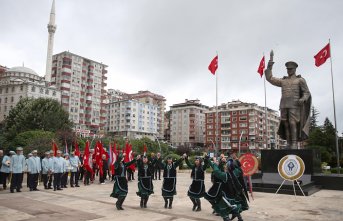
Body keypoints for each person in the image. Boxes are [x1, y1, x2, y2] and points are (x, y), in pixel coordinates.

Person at [265, 52, 311, 149]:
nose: (289, 71)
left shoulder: (300, 80)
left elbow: (307, 92)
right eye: (288, 69)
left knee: (292, 122)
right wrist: (270, 66)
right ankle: (289, 143)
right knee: (285, 124)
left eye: (290, 69)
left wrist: (303, 99)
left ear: (294, 69)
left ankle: (294, 143)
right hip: (284, 104)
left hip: (295, 104)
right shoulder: (283, 81)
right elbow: (270, 78)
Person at [207, 157, 248, 221]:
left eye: (226, 165)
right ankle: (240, 219)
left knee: (224, 213)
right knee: (233, 209)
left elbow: (217, 172)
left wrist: (215, 163)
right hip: (232, 197)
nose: (225, 166)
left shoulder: (226, 175)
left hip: (226, 199)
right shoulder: (234, 173)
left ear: (228, 167)